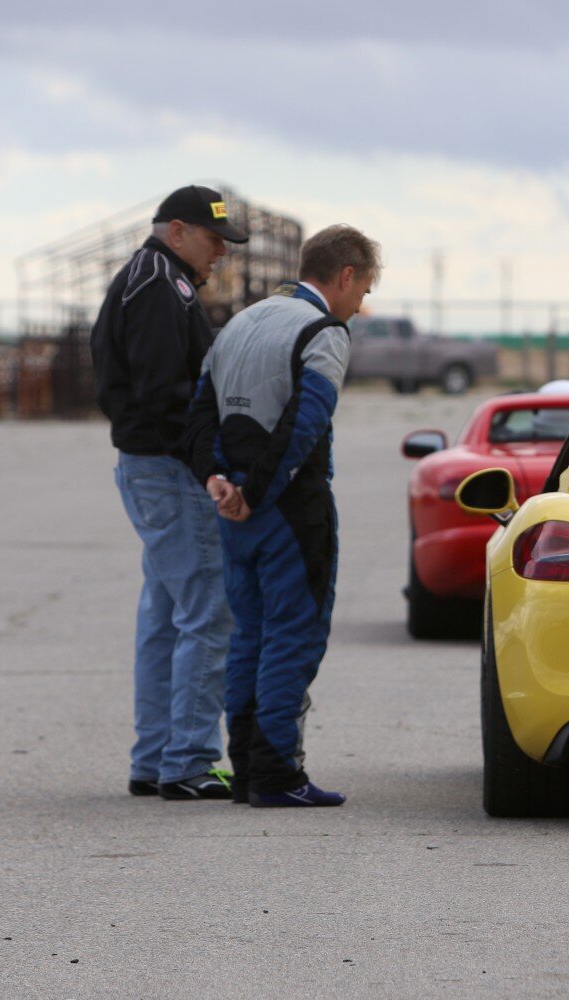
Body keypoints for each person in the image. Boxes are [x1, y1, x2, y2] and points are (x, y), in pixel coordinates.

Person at [183, 224, 379, 807]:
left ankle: (245, 768)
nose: (361, 304)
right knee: (294, 635)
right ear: (345, 276)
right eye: (363, 290)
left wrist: (218, 482)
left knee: (250, 635)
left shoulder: (240, 322)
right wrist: (259, 492)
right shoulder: (324, 331)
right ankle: (277, 774)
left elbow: (199, 414)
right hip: (289, 510)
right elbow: (304, 424)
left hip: (234, 511)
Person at [90, 184, 249, 800]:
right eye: (214, 240)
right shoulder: (159, 284)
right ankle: (187, 760)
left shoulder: (154, 276)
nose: (220, 254)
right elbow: (164, 393)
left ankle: (156, 757)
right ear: (177, 230)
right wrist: (209, 462)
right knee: (209, 611)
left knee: (166, 615)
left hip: (151, 464)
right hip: (167, 467)